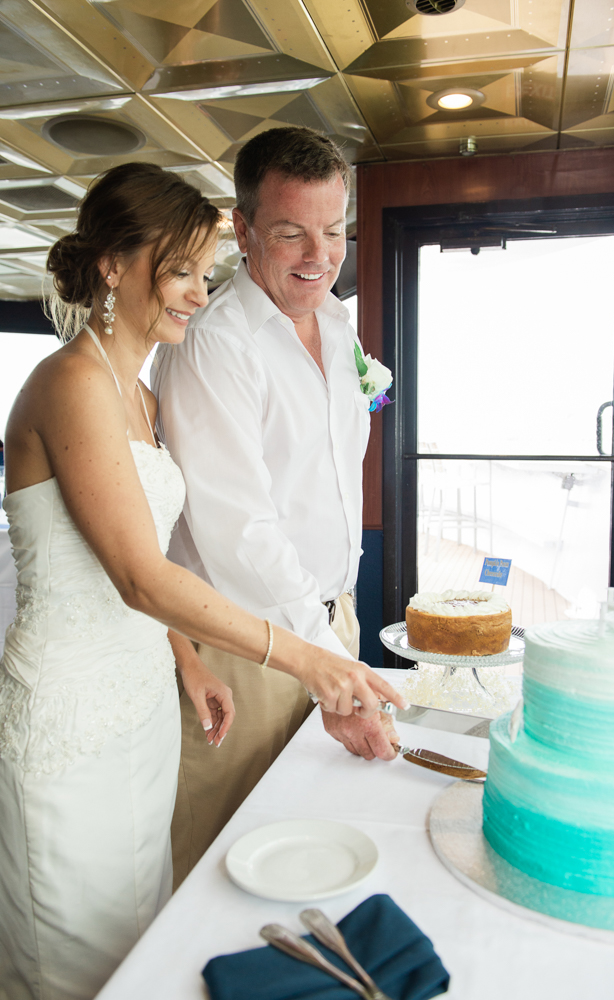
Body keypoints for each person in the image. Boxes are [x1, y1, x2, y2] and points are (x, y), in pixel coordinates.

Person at [0, 161, 405, 1000]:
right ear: (115, 265)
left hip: (142, 705)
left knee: (144, 938)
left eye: (202, 272)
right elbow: (142, 577)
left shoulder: (139, 396)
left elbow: (147, 545)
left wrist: (185, 660)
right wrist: (305, 658)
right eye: (179, 270)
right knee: (74, 956)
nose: (195, 292)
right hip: (71, 718)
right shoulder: (70, 382)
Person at [153, 126, 400, 888]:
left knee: (324, 843)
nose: (318, 256)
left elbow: (329, 474)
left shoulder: (337, 321)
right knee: (227, 862)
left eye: (332, 231)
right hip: (246, 647)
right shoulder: (214, 344)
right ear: (244, 226)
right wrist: (320, 655)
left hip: (330, 619)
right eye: (291, 232)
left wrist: (337, 636)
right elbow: (239, 530)